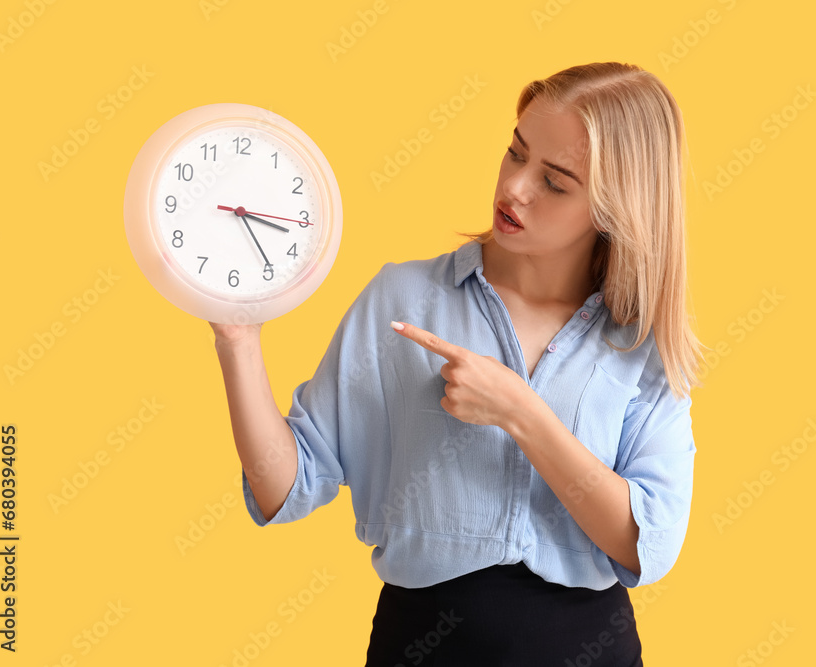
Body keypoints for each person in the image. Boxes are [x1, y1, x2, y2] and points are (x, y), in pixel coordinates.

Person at [210, 61, 703, 666]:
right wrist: (238, 340)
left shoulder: (638, 344)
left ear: (614, 208)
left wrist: (522, 413)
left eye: (555, 181)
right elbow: (283, 485)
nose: (516, 188)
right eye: (515, 153)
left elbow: (643, 543)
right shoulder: (402, 301)